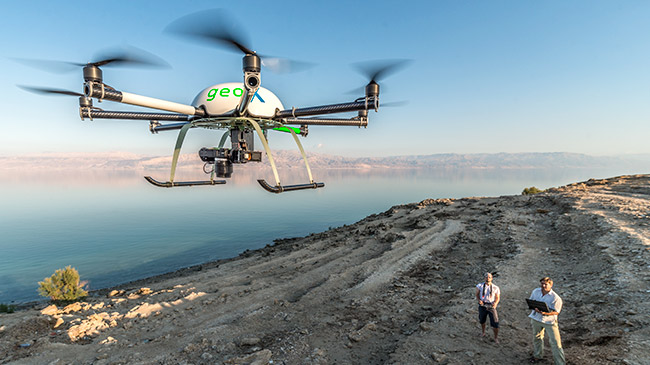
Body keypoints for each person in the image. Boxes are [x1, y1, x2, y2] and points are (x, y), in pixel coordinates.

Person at [528, 277, 565, 364]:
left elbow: (556, 312)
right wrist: (535, 308)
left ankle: (560, 363)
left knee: (555, 343)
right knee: (537, 337)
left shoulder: (556, 298)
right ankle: (537, 355)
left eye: (546, 284)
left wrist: (545, 313)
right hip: (536, 318)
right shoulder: (536, 291)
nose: (543, 286)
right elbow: (531, 301)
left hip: (549, 322)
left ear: (551, 285)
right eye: (542, 283)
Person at [475, 272, 500, 343]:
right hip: (483, 305)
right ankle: (483, 332)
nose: (487, 278)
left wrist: (495, 303)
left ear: (492, 278)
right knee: (482, 320)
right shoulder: (479, 286)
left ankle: (496, 337)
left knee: (495, 322)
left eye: (489, 277)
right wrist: (479, 300)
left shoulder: (495, 287)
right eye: (486, 277)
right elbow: (477, 294)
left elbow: (497, 297)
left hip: (491, 305)